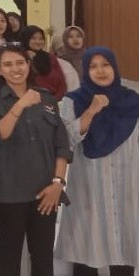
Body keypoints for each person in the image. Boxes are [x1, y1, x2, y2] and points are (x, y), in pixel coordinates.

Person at [0, 44, 72, 276]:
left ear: (28, 65)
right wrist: (20, 104)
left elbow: (61, 145)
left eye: (20, 63)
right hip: (11, 192)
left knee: (42, 257)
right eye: (8, 64)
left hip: (46, 191)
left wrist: (57, 183)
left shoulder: (46, 98)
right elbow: (1, 134)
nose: (15, 69)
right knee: (9, 256)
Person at [56, 47, 139, 276]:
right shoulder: (72, 102)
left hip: (127, 188)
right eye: (93, 66)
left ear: (115, 67)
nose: (100, 71)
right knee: (86, 252)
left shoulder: (133, 101)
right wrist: (91, 111)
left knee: (124, 253)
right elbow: (66, 141)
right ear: (85, 71)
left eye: (106, 65)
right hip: (90, 189)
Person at [22, 25, 68, 99]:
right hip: (31, 101)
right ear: (26, 39)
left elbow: (61, 82)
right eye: (33, 38)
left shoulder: (50, 57)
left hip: (54, 101)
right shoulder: (21, 59)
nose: (38, 41)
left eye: (41, 38)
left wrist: (54, 100)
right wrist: (28, 59)